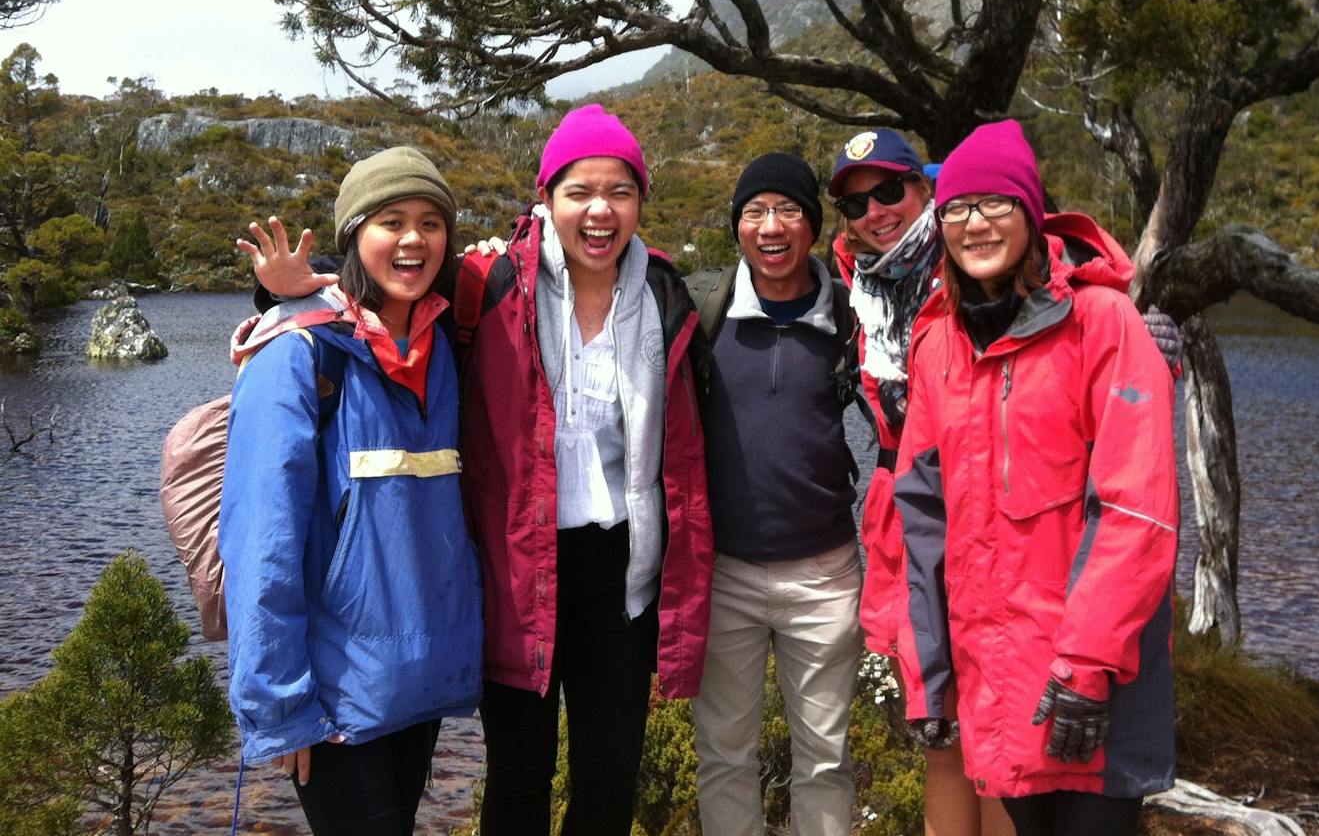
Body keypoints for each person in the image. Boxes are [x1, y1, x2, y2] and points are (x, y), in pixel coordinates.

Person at [245, 105, 714, 836]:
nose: (599, 210)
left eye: (620, 191)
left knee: (607, 782)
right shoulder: (490, 285)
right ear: (545, 199)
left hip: (623, 575)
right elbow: (380, 289)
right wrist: (294, 291)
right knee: (519, 779)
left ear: (641, 201)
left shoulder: (665, 294)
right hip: (519, 565)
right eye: (578, 190)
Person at [827, 128, 1178, 836]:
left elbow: (1136, 509)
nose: (974, 222)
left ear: (1030, 209)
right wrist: (926, 671)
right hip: (990, 666)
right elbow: (923, 515)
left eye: (993, 203)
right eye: (961, 208)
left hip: (1089, 672)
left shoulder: (1102, 321)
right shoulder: (936, 340)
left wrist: (1086, 663)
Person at [221, 145, 483, 835]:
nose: (413, 239)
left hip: (414, 681)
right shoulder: (297, 355)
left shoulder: (443, 350)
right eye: (390, 220)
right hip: (334, 694)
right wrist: (280, 708)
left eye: (431, 222)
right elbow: (261, 544)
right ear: (353, 237)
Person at [690, 153, 862, 836]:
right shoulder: (701, 309)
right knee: (723, 755)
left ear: (813, 226)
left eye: (787, 210)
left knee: (825, 759)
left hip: (825, 573)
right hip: (722, 573)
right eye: (754, 211)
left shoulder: (851, 317)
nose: (770, 226)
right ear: (736, 227)